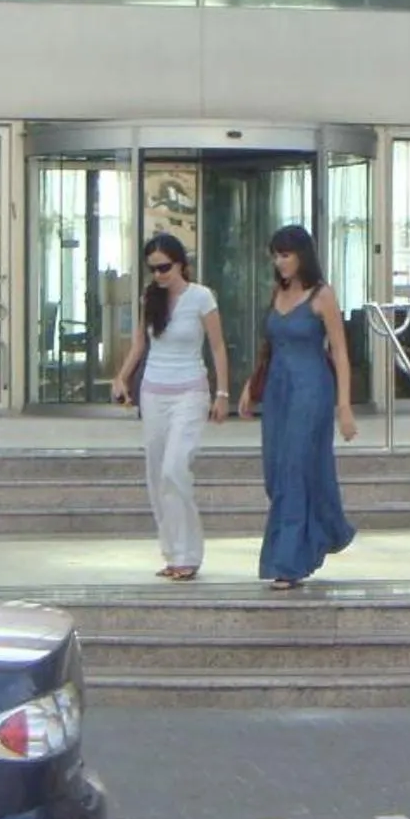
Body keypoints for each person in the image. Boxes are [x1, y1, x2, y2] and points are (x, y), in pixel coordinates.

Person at [238, 223, 357, 590]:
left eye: (286, 254)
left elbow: (339, 352)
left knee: (294, 468)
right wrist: (248, 388)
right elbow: (269, 346)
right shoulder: (278, 292)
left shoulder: (322, 296)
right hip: (277, 391)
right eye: (276, 255)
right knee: (276, 472)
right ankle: (326, 529)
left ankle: (286, 562)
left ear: (302, 255)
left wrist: (344, 406)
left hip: (311, 391)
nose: (280, 261)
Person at [109, 232, 229, 582]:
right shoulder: (151, 299)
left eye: (165, 267)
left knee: (175, 469)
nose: (159, 275)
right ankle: (173, 552)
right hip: (153, 392)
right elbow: (138, 346)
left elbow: (218, 347)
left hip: (190, 390)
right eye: (153, 269)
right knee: (156, 473)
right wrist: (121, 377)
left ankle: (189, 553)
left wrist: (222, 394)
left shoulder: (202, 297)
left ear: (181, 265)